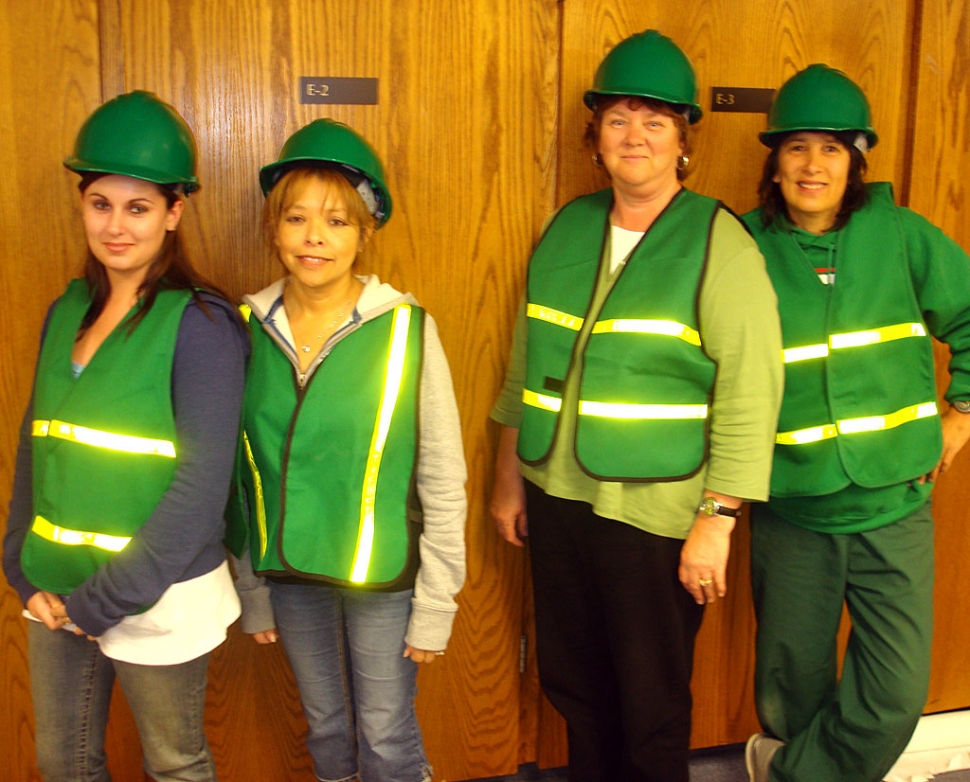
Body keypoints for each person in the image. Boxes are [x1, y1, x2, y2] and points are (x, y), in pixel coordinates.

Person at [488, 29, 783, 782]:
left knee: (648, 703)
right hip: (559, 501)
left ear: (683, 139)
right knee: (576, 688)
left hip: (656, 516)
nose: (636, 137)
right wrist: (509, 477)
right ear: (596, 136)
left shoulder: (720, 241)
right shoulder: (568, 228)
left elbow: (753, 389)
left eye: (656, 121)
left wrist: (717, 520)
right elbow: (527, 364)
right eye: (619, 119)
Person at [1, 91, 247, 781]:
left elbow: (200, 490)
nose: (116, 226)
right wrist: (21, 565)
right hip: (56, 590)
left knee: (174, 764)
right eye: (100, 203)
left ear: (174, 212)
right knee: (64, 763)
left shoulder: (202, 325)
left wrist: (104, 600)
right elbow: (36, 444)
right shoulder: (67, 310)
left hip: (157, 596)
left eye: (138, 208)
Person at [741, 64, 970, 782]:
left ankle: (782, 775)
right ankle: (789, 756)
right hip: (790, 510)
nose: (813, 165)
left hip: (893, 506)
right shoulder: (739, 246)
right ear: (774, 161)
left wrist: (961, 412)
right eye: (797, 147)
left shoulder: (903, 236)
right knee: (792, 694)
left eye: (833, 149)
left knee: (894, 699)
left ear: (856, 161)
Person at [226, 118, 466, 782]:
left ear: (365, 233)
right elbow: (237, 478)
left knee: (386, 735)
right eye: (297, 218)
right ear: (273, 228)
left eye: (337, 221)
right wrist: (251, 586)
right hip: (292, 575)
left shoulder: (407, 330)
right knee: (327, 727)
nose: (315, 238)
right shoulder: (243, 329)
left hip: (383, 579)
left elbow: (443, 476)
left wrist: (438, 603)